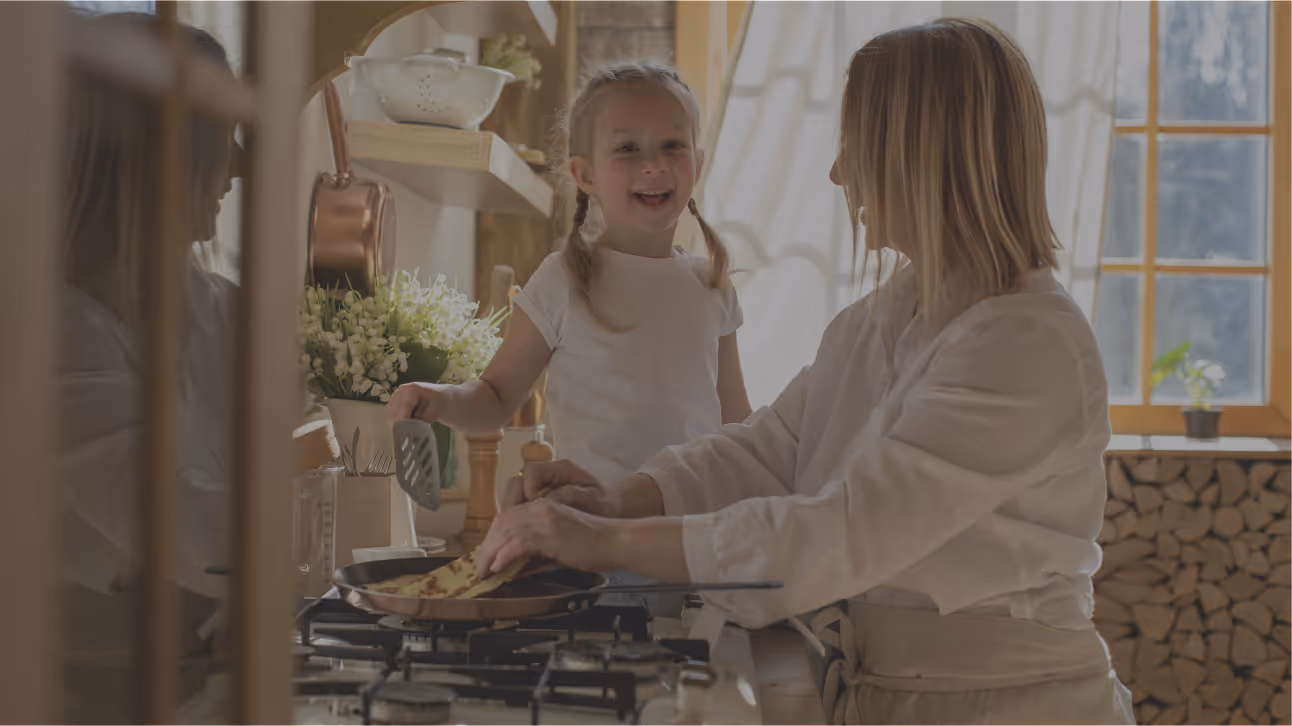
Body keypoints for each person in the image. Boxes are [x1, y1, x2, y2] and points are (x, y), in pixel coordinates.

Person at [475, 19, 1135, 726]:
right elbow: (768, 450)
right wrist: (615, 499)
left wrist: (602, 542)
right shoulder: (881, 319)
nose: (838, 172)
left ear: (919, 156)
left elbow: (846, 531)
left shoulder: (1025, 343)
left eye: (855, 145)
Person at [385, 63, 752, 610]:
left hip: (690, 549)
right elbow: (495, 399)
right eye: (628, 149)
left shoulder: (711, 285)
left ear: (697, 163)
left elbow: (738, 426)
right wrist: (438, 400)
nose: (654, 164)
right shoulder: (562, 279)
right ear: (585, 174)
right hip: (588, 555)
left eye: (673, 145)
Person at [58, 12, 240, 724]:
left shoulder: (218, 308)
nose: (232, 171)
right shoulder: (47, 331)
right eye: (215, 144)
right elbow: (185, 525)